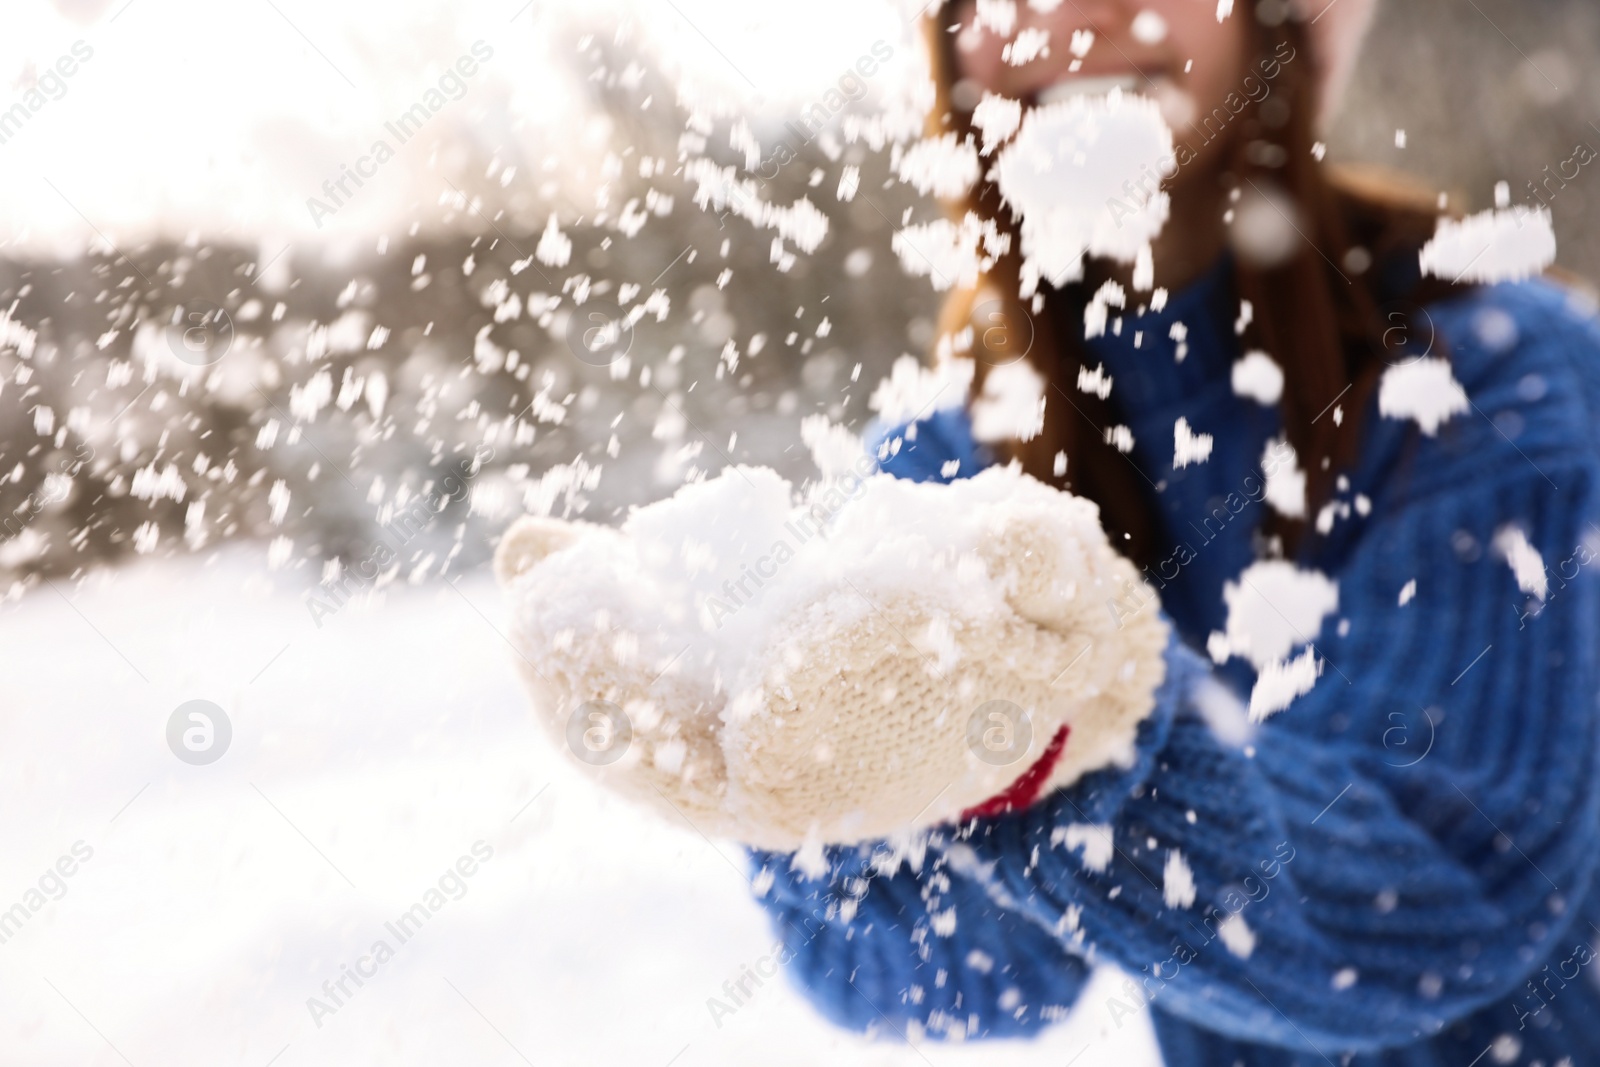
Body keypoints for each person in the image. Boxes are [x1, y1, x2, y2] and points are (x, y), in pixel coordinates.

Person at [747, 1, 1600, 1063]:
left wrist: (1050, 743)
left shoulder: (1497, 376)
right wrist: (792, 763)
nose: (1075, 11)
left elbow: (1434, 896)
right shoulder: (943, 469)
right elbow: (954, 972)